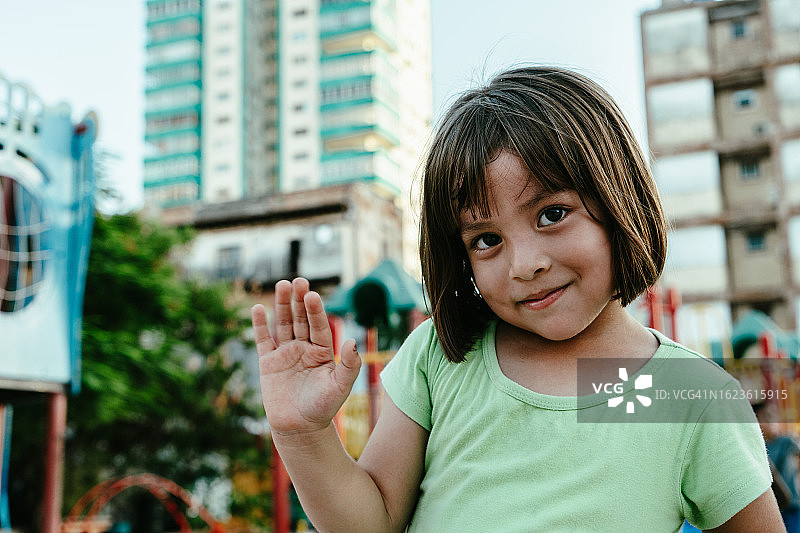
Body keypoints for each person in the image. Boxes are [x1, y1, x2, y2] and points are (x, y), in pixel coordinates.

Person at [251, 66, 784, 532]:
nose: (523, 264)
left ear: (619, 197)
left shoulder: (687, 396)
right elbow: (371, 522)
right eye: (487, 240)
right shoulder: (444, 355)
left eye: (552, 214)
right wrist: (304, 434)